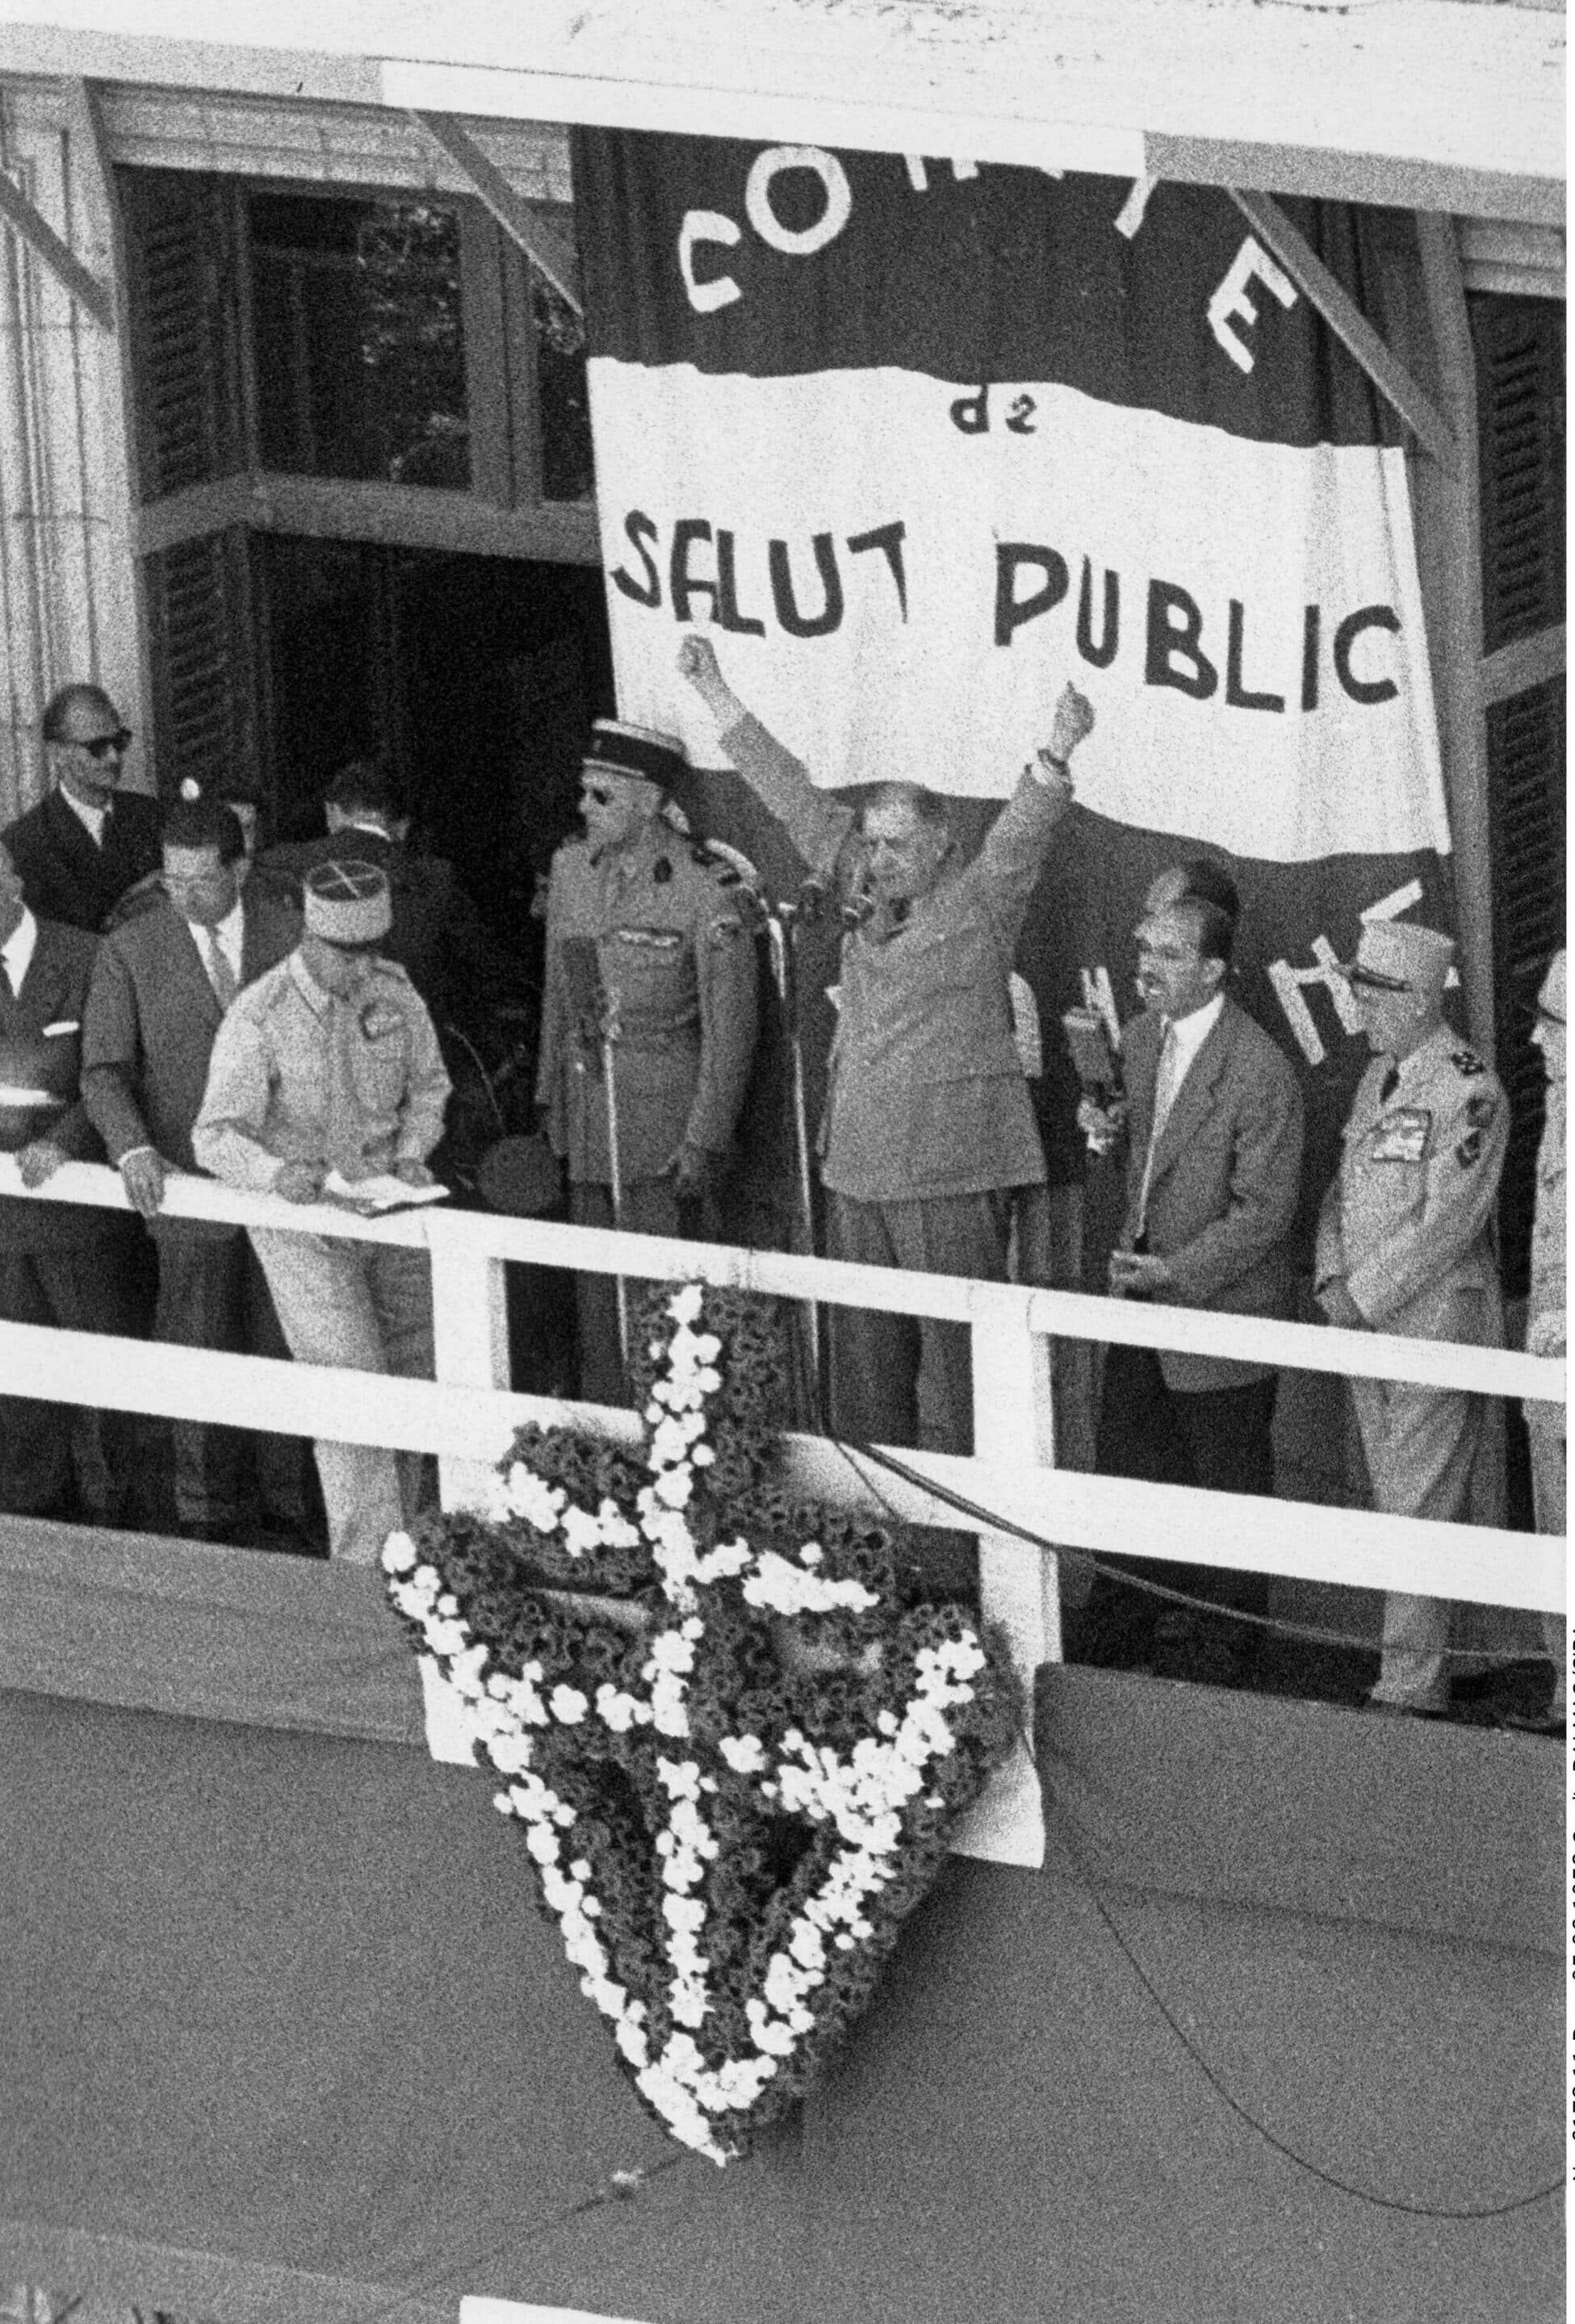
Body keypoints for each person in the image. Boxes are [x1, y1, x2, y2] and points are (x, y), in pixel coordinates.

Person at [678, 631, 1092, 1455]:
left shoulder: (980, 902)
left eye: (899, 843)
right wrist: (714, 691)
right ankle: (885, 1549)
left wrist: (1057, 746)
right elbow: (790, 794)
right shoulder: (856, 879)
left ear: (942, 843)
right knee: (867, 1382)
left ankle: (983, 1562)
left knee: (966, 1377)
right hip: (857, 1167)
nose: (879, 857)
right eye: (871, 840)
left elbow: (1023, 829)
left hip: (947, 1171)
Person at [1077, 861, 1305, 1677]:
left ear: (1213, 969)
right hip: (1137, 1305)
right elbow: (1134, 1165)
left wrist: (1173, 1273)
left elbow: (1263, 1213)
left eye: (1169, 954)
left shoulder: (1260, 1070)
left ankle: (1228, 1649)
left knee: (1226, 1489)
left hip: (1215, 1314)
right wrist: (1100, 1132)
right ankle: (1117, 1636)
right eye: (1145, 948)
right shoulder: (1137, 1041)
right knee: (1128, 1476)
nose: (1148, 967)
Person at [191, 860, 451, 1564]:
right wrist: (279, 1176)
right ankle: (368, 1566)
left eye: (372, 949)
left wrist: (411, 1150)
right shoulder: (261, 1013)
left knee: (413, 1377)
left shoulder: (396, 995)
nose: (361, 965)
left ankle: (421, 1553)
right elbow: (213, 1136)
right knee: (352, 1392)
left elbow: (430, 1087)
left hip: (389, 1213)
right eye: (346, 952)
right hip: (306, 1227)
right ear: (309, 935)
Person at [82, 796, 312, 1547]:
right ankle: (204, 1510)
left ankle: (290, 1502)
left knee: (286, 1339)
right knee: (197, 1341)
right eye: (170, 880)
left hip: (285, 1181)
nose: (183, 897)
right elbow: (104, 1071)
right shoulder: (132, 946)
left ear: (239, 867)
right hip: (184, 1182)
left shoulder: (294, 929)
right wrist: (133, 1148)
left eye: (201, 882)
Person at [1315, 919, 1509, 1717]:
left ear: (1421, 998)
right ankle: (1444, 1658)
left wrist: (1360, 1296)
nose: (1359, 999)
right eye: (1358, 984)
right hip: (1366, 1319)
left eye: (1375, 988)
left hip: (1430, 1321)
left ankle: (1408, 1685)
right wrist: (1332, 1276)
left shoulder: (1469, 1088)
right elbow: (1342, 1187)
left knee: (1417, 1502)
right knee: (1399, 1493)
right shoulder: (1378, 1078)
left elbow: (1446, 1223)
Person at [534, 718, 760, 1405]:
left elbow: (732, 1027)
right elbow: (557, 989)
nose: (583, 808)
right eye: (584, 793)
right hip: (588, 1116)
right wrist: (550, 1107)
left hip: (664, 1129)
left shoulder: (705, 886)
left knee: (671, 1313)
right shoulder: (572, 868)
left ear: (648, 800)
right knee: (598, 1301)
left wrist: (706, 1137)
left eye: (601, 796)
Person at [0, 837, 140, 1521]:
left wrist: (64, 1143)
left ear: (14, 884)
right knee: (15, 1379)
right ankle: (30, 1518)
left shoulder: (87, 956)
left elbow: (112, 1071)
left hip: (75, 1204)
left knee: (97, 1363)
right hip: (1, 1217)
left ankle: (115, 1511)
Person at [262, 756, 517, 1036]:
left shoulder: (280, 866)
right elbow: (487, 971)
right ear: (394, 819)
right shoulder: (435, 879)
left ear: (332, 811)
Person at [1508, 947, 1565, 1736]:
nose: (1535, 1040)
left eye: (1552, 1025)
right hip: (1550, 1376)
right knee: (1557, 1535)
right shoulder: (1561, 1105)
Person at [2, 684, 161, 934]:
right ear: (58, 753)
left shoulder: (152, 816)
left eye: (119, 742)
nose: (113, 758)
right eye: (97, 747)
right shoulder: (24, 844)